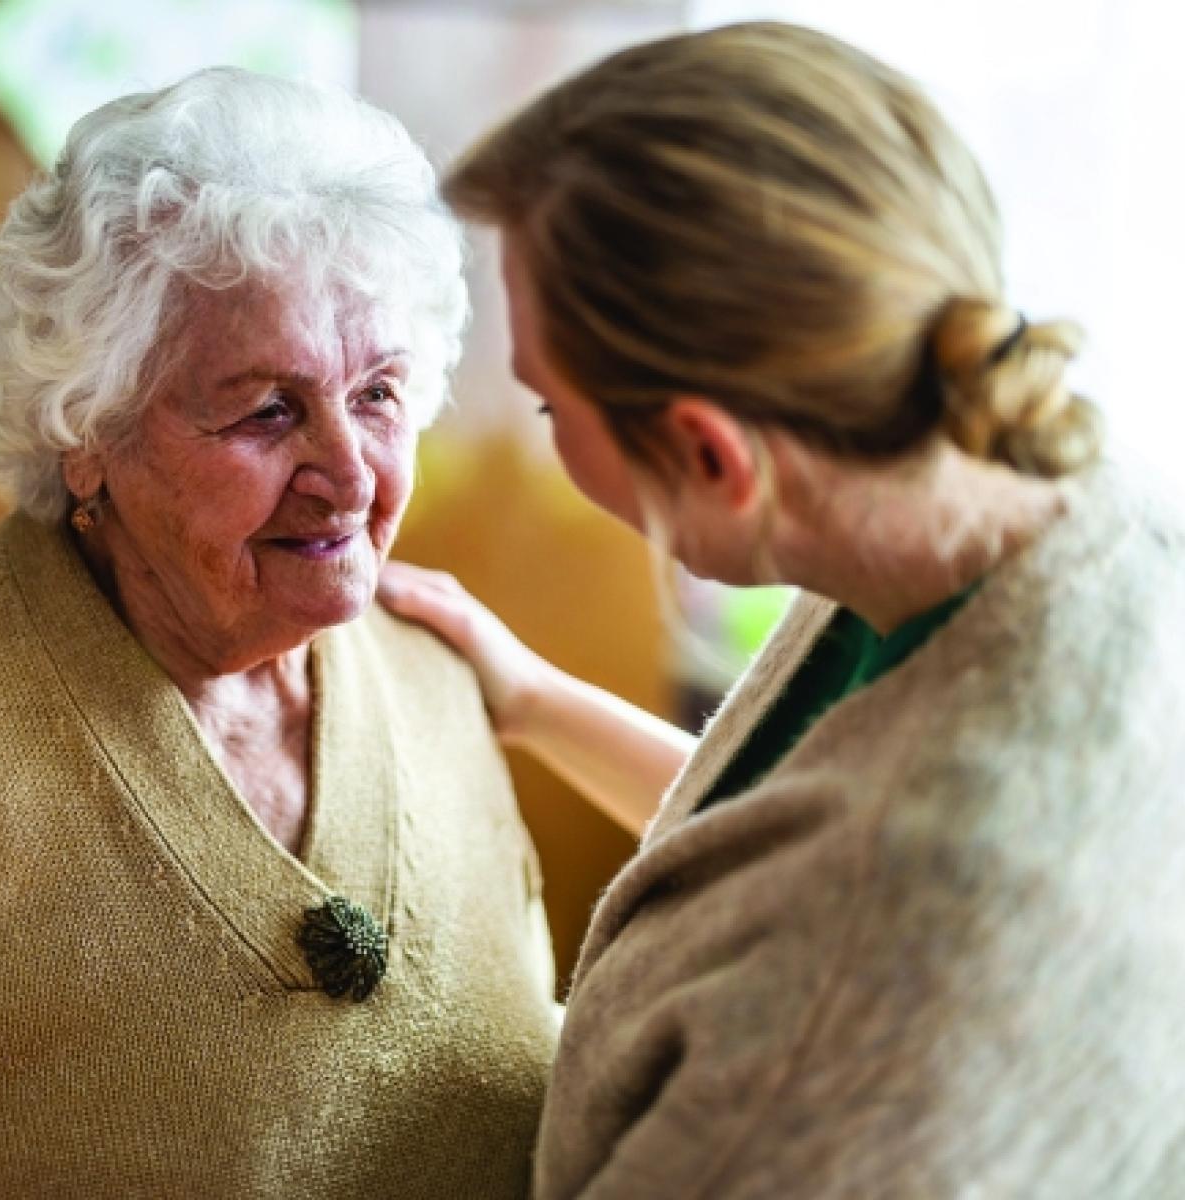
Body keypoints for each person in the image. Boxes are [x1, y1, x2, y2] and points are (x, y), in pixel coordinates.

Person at [378, 21, 1185, 1198]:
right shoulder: (1021, 495)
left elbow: (845, 901)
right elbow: (783, 841)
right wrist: (533, 701)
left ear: (710, 455)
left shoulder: (871, 987)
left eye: (551, 410)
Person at [0, 67, 560, 1198]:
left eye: (377, 393)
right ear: (85, 427)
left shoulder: (437, 678)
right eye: (267, 411)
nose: (346, 474)